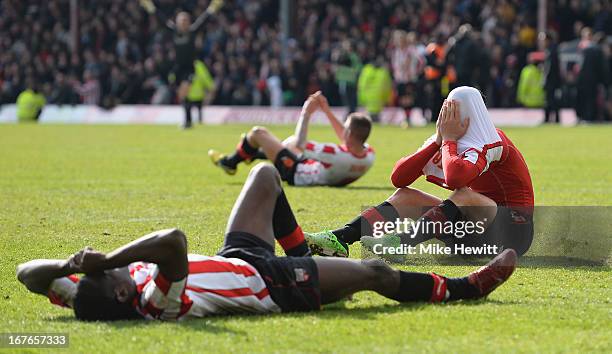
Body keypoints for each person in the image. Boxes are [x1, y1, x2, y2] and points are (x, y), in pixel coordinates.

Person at [16, 162, 518, 321]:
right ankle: (465, 289)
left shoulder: (95, 293)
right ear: (125, 292)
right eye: (108, 273)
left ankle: (304, 251)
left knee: (263, 176)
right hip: (273, 285)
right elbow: (172, 241)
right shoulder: (155, 300)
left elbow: (26, 275)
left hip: (241, 257)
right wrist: (111, 256)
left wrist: (65, 266)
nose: (100, 268)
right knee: (375, 275)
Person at [306, 86, 534, 258]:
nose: (449, 118)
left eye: (454, 113)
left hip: (513, 234)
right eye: (447, 111)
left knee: (463, 195)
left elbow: (456, 179)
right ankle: (340, 238)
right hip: (474, 233)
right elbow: (399, 178)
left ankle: (401, 244)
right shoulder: (448, 139)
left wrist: (449, 141)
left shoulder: (494, 142)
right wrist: (437, 141)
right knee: (405, 196)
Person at [208, 91, 375, 187]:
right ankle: (250, 155)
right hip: (313, 169)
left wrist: (306, 112)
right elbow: (349, 138)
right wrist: (326, 110)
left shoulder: (335, 154)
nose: (342, 131)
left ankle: (231, 162)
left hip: (295, 171)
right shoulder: (369, 155)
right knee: (286, 144)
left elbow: (301, 143)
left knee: (258, 133)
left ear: (349, 134)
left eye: (345, 128)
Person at [141, 0, 222, 128]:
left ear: (189, 22)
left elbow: (205, 19)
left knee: (184, 91)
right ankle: (188, 121)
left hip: (189, 68)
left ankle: (187, 121)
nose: (183, 22)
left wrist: (214, 6)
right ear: (177, 22)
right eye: (181, 20)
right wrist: (149, 6)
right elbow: (160, 18)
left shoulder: (193, 32)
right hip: (177, 68)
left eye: (185, 20)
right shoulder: (173, 31)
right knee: (183, 96)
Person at [541, 32, 562, 123]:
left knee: (550, 100)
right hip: (554, 80)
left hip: (551, 81)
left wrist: (545, 79)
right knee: (552, 100)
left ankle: (548, 118)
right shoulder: (553, 49)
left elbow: (550, 68)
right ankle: (555, 119)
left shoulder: (551, 51)